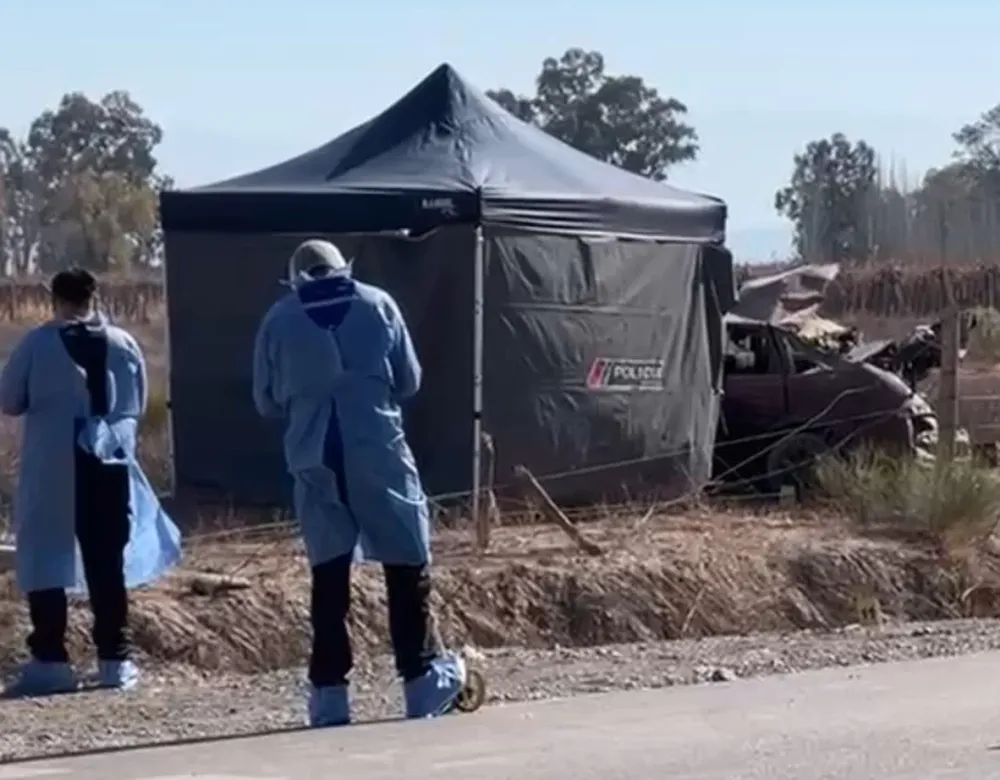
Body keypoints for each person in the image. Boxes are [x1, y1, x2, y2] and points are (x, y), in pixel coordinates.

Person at [252, 239, 465, 727]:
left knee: (329, 577)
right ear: (340, 267)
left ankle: (329, 696)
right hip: (378, 452)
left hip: (312, 457)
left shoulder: (277, 320)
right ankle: (421, 680)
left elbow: (265, 400)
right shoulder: (379, 304)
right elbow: (408, 379)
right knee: (406, 564)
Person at [0, 268, 182, 696]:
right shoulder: (125, 345)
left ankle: (50, 658)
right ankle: (114, 660)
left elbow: (9, 400)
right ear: (93, 297)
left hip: (52, 467)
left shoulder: (37, 344)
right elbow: (134, 405)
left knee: (45, 558)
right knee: (106, 563)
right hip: (109, 466)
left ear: (54, 299)